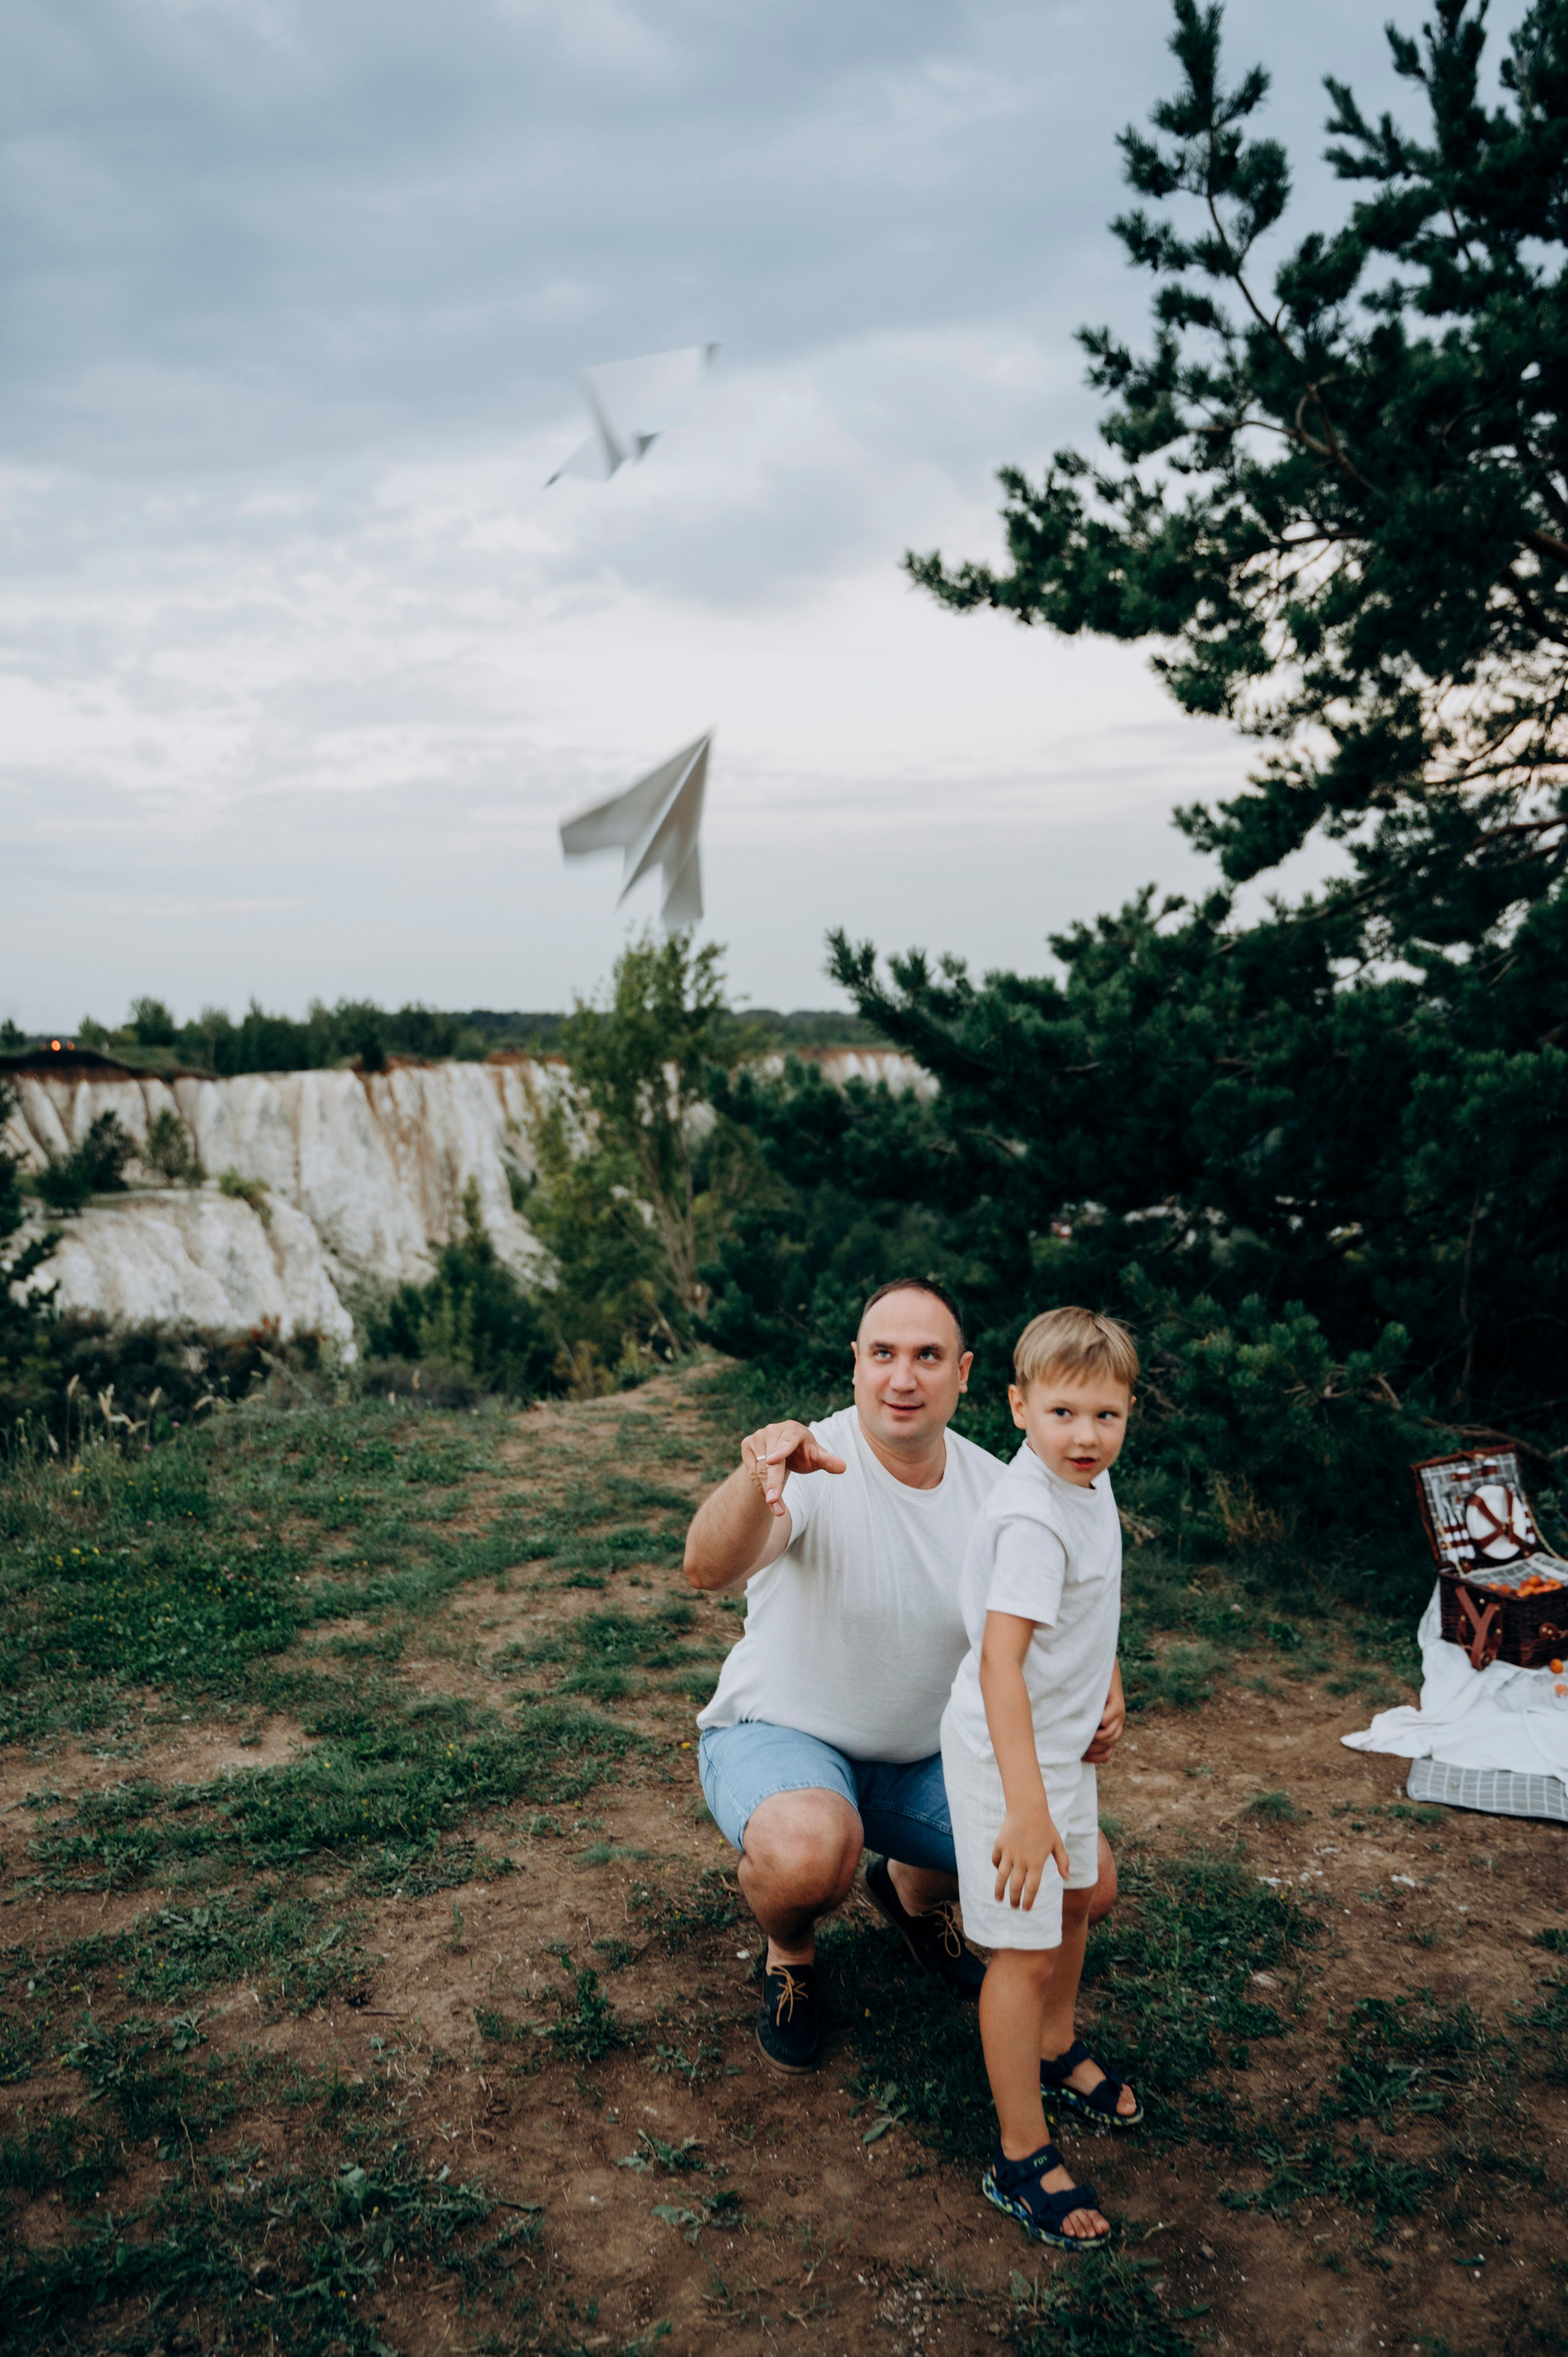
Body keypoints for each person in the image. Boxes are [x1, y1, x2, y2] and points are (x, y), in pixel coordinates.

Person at [683, 1277, 1119, 2073]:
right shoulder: (813, 1460)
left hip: (929, 1755)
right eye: (883, 1354)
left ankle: (915, 1894)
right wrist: (756, 1472)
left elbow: (1062, 1606)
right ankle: (792, 1954)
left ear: (965, 1372)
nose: (903, 1377)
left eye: (928, 1356)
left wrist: (1105, 1688)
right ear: (856, 1365)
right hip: (788, 1737)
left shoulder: (1001, 1487)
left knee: (1083, 1885)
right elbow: (704, 1568)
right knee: (811, 1850)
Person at [940, 1306, 1142, 2252]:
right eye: (1063, 1413)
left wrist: (1106, 1676)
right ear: (1018, 1407)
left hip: (1060, 1745)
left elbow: (1088, 1603)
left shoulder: (1086, 1486)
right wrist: (1025, 1804)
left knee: (1075, 1898)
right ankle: (1021, 2153)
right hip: (1004, 1755)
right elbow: (998, 1664)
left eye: (1107, 1415)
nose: (1086, 1436)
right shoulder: (1029, 1517)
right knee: (1019, 1950)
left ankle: (1056, 2047)